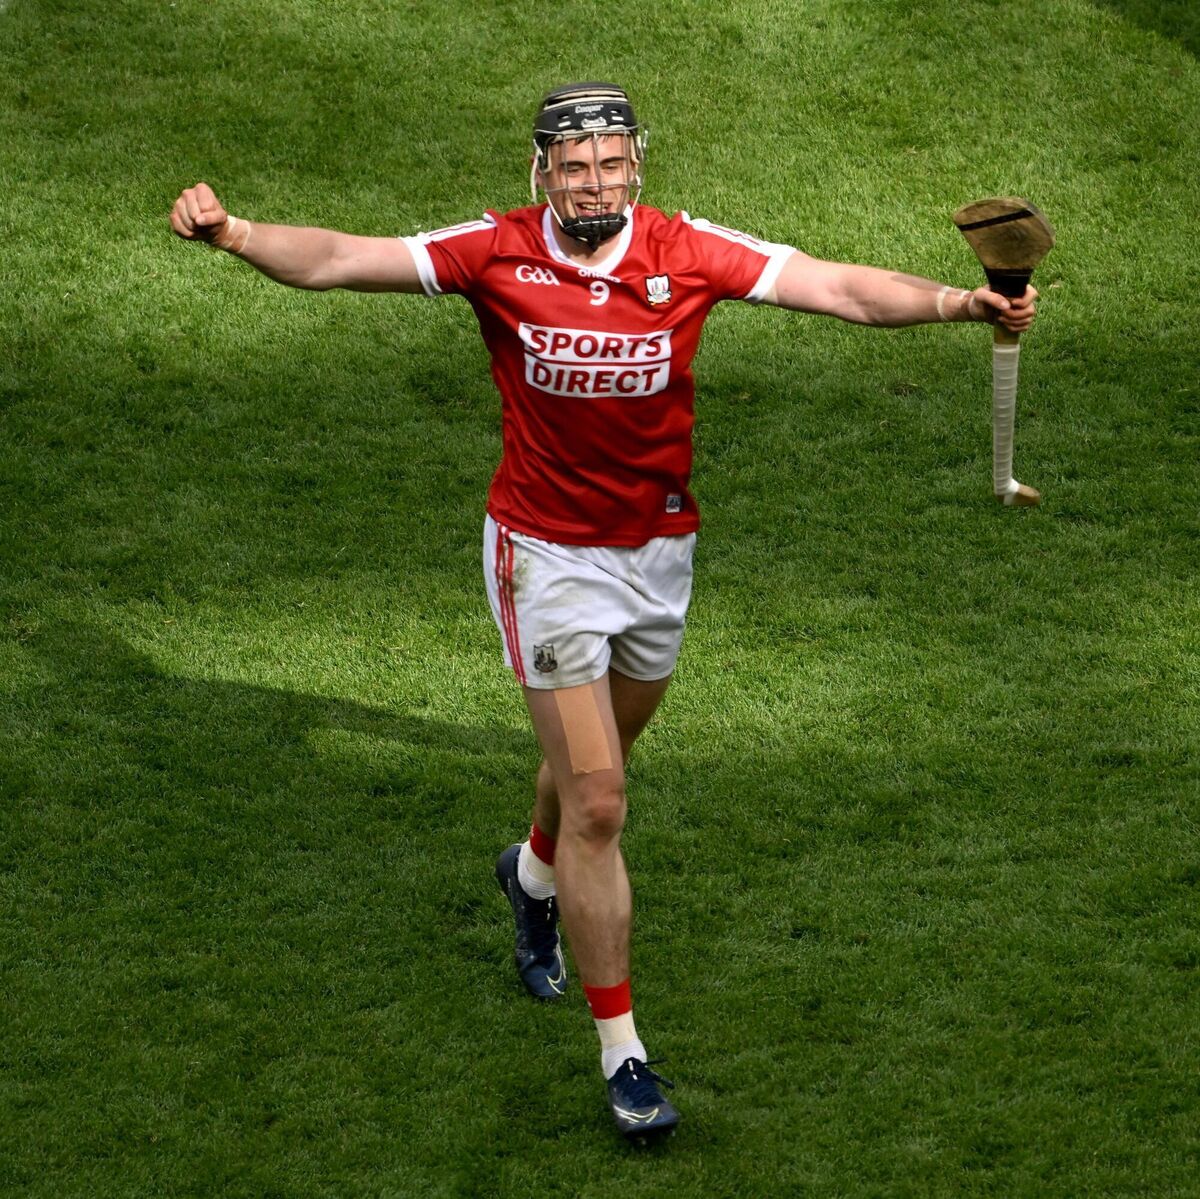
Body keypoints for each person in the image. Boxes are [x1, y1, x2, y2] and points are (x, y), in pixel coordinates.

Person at [170, 81, 1037, 1143]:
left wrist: (962, 303)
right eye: (574, 165)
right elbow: (347, 258)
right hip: (544, 557)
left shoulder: (685, 248)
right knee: (601, 800)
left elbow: (842, 289)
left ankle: (529, 872)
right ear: (543, 171)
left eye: (611, 162)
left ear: (636, 165)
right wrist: (237, 234)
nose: (594, 181)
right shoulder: (497, 251)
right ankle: (624, 1052)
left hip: (658, 554)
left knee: (598, 769)